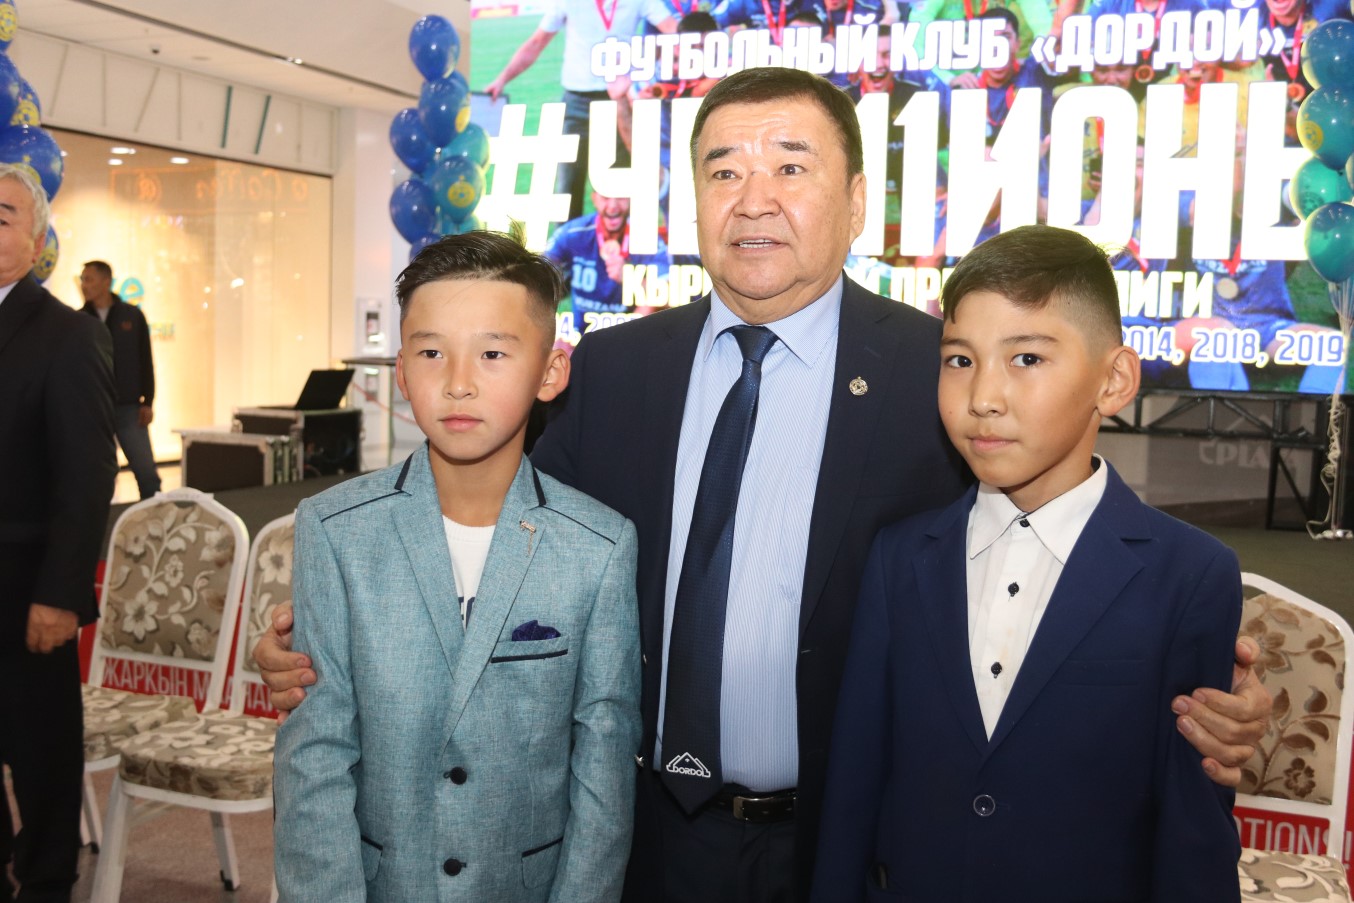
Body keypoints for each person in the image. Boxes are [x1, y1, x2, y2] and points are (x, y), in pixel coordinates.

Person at [259, 68, 1272, 902]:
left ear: (856, 200)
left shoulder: (937, 373)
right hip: (636, 832)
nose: (753, 198)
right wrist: (324, 636)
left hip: (841, 838)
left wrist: (1200, 689)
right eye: (724, 171)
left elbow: (1044, 554)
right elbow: (497, 525)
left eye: (791, 166)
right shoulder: (615, 370)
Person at [812, 225, 1242, 901]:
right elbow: (856, 785)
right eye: (960, 359)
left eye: (1027, 358)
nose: (984, 395)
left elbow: (1193, 828)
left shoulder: (1190, 574)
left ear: (1114, 381)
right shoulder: (901, 557)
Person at [272, 231, 642, 902]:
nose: (459, 382)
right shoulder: (335, 530)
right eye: (431, 352)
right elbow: (315, 758)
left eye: (493, 353)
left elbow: (603, 773)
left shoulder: (599, 545)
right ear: (401, 370)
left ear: (550, 371)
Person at [0, 163, 117, 903]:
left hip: (26, 587)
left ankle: (46, 879)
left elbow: (86, 475)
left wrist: (61, 593)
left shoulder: (66, 335)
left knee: (40, 752)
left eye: (3, 215)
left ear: (39, 239)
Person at [484, 0, 676, 220]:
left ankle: (623, 242)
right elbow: (537, 42)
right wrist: (502, 79)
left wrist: (645, 72)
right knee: (568, 184)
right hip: (577, 102)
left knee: (620, 186)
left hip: (619, 101)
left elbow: (674, 33)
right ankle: (564, 241)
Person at [79, 260, 160, 500]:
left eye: (89, 279)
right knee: (95, 477)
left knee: (147, 474)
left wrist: (148, 401)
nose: (84, 285)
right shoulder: (78, 320)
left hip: (129, 408)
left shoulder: (132, 316)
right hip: (92, 410)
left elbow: (145, 360)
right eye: (82, 279)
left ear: (107, 282)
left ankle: (155, 517)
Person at [545, 190, 670, 335]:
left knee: (654, 302)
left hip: (627, 334)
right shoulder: (573, 233)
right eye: (605, 197)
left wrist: (631, 278)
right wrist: (557, 337)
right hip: (578, 336)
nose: (613, 206)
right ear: (594, 199)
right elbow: (537, 274)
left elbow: (673, 295)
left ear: (631, 199)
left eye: (621, 197)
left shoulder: (647, 238)